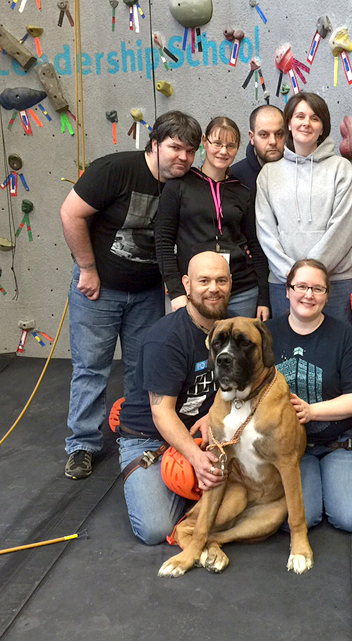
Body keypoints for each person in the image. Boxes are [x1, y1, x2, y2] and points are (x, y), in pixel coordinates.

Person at [60, 111, 202, 480]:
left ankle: (138, 435)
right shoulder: (114, 170)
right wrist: (87, 268)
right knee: (92, 367)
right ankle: (82, 445)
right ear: (153, 143)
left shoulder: (183, 185)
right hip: (99, 289)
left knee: (144, 369)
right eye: (174, 147)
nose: (182, 158)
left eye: (190, 151)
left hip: (147, 294)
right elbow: (70, 214)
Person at [116, 251, 230, 544]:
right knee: (156, 529)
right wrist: (196, 460)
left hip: (202, 429)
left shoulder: (229, 331)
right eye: (203, 281)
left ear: (231, 283)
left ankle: (190, 494)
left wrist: (213, 413)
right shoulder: (167, 338)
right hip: (150, 436)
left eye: (221, 280)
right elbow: (162, 413)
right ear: (186, 285)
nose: (213, 289)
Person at [267, 259, 352, 532]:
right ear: (287, 290)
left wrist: (313, 411)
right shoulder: (267, 334)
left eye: (318, 289)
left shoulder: (344, 336)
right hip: (287, 445)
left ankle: (337, 476)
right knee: (300, 516)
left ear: (327, 296)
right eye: (301, 286)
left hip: (339, 438)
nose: (308, 294)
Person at [255, 92, 352, 324]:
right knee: (287, 356)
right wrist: (294, 277)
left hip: (335, 283)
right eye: (300, 116)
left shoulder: (341, 169)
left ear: (323, 127)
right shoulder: (269, 174)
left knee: (335, 353)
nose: (306, 123)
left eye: (314, 118)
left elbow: (344, 228)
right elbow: (265, 230)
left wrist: (309, 277)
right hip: (283, 281)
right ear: (289, 124)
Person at [155, 116, 270, 320]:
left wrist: (263, 297)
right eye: (217, 143)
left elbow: (255, 245)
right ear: (205, 142)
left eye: (230, 145)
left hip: (241, 290)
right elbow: (163, 242)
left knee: (238, 350)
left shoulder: (242, 192)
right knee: (196, 349)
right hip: (195, 292)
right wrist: (176, 291)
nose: (223, 151)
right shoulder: (179, 186)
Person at [229, 105, 286, 192]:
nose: (273, 141)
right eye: (264, 135)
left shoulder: (298, 172)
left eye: (279, 134)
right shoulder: (234, 179)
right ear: (252, 137)